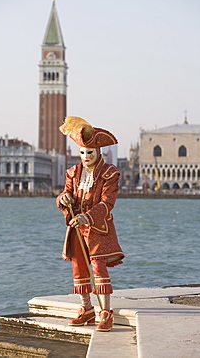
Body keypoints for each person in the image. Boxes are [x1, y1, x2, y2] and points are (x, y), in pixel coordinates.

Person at [56, 116, 124, 332]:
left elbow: (107, 203)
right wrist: (62, 199)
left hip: (98, 227)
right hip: (76, 226)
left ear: (98, 152)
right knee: (78, 267)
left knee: (98, 266)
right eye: (82, 153)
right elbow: (66, 194)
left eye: (90, 153)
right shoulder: (73, 173)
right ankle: (86, 309)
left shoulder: (109, 173)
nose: (86, 157)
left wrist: (88, 217)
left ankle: (105, 312)